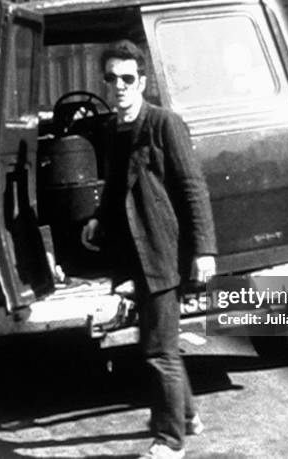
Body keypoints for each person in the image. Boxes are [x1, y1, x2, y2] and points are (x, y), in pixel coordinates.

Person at [81, 40, 217, 459]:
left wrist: (205, 250)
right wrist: (98, 220)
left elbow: (194, 189)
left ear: (142, 81)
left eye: (127, 78)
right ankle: (188, 416)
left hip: (161, 250)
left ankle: (169, 440)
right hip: (132, 253)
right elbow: (117, 185)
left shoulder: (164, 124)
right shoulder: (112, 128)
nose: (119, 86)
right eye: (112, 78)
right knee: (163, 343)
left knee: (157, 350)